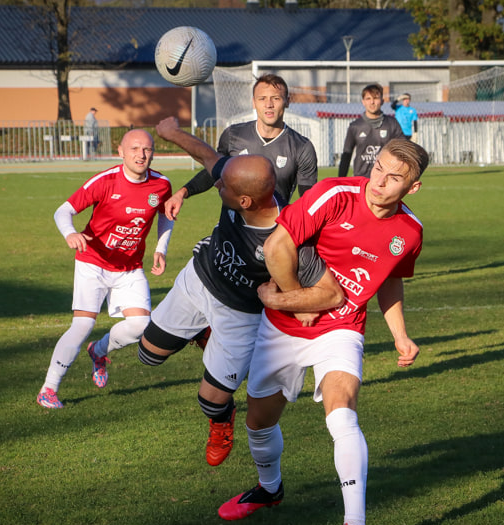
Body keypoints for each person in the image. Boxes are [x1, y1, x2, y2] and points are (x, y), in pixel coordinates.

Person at [219, 138, 430, 525]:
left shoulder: (410, 232)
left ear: (412, 188)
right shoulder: (336, 195)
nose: (380, 183)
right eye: (379, 169)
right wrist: (300, 303)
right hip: (284, 327)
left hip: (344, 327)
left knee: (342, 411)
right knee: (259, 421)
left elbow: (389, 278)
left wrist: (400, 334)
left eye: (394, 179)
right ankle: (269, 488)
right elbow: (277, 245)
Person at [137, 117, 343, 467]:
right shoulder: (240, 181)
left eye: (224, 189)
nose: (218, 188)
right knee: (148, 355)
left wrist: (287, 302)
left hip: (240, 314)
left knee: (211, 400)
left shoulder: (288, 239)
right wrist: (171, 134)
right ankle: (203, 332)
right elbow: (207, 157)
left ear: (245, 200)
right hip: (200, 278)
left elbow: (332, 294)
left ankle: (221, 422)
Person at [37, 129, 174, 409]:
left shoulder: (161, 185)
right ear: (120, 152)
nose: (141, 154)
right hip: (93, 262)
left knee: (140, 325)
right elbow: (62, 211)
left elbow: (166, 216)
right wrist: (70, 233)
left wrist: (161, 248)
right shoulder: (105, 181)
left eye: (147, 149)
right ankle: (48, 389)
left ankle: (99, 352)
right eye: (134, 149)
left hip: (129, 268)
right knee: (83, 324)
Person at [166, 73, 317, 220]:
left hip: (273, 232)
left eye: (276, 98)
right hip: (232, 231)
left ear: (287, 101)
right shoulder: (233, 135)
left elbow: (308, 202)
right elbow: (213, 171)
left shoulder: (302, 147)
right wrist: (182, 193)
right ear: (254, 102)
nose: (269, 104)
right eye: (262, 98)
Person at [338, 83, 404, 178]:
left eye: (376, 98)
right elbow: (346, 155)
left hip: (385, 178)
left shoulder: (392, 124)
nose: (372, 102)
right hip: (361, 179)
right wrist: (341, 179)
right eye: (368, 99)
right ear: (363, 102)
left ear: (382, 101)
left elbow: (403, 150)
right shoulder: (355, 126)